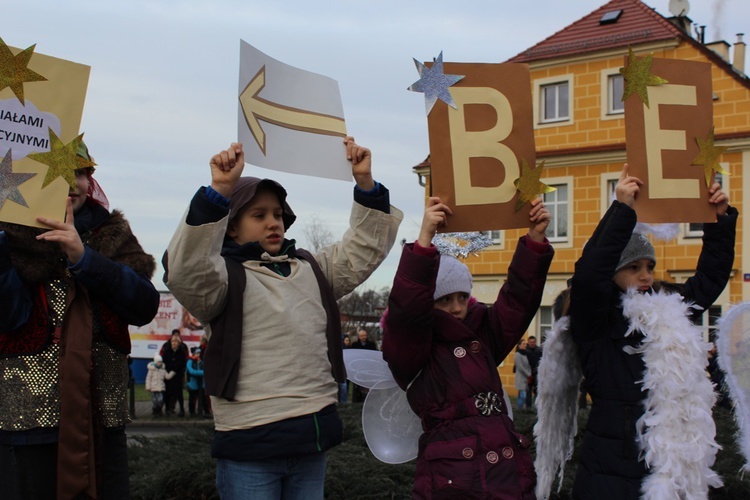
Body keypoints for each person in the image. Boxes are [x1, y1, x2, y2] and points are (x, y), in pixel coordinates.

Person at [163, 136, 402, 499]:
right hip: (250, 446)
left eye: (277, 214)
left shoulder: (311, 269)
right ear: (230, 226)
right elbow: (188, 270)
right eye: (258, 215)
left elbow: (361, 251)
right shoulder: (223, 279)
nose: (273, 223)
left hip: (311, 440)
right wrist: (219, 191)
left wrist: (365, 184)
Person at [0, 142, 159, 499]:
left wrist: (83, 258)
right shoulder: (9, 237)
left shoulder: (114, 234)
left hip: (102, 424)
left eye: (79, 171)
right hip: (27, 424)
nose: (69, 181)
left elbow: (144, 305)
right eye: (54, 170)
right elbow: (9, 318)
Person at [569, 164, 736, 499]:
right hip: (611, 473)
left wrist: (718, 219)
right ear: (613, 273)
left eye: (649, 267)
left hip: (666, 467)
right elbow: (589, 274)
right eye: (633, 268)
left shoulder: (667, 307)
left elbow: (710, 279)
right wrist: (621, 210)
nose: (645, 276)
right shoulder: (594, 319)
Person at [382, 195, 554, 499]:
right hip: (454, 478)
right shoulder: (413, 350)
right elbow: (406, 312)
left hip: (508, 474)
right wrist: (423, 243)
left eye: (463, 297)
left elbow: (517, 301)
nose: (458, 307)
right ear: (428, 303)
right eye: (445, 299)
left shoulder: (481, 335)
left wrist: (535, 239)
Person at [162, 332, 188, 416]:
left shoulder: (181, 352)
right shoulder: (167, 351)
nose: (174, 343)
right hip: (168, 375)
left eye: (175, 342)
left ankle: (182, 410)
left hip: (178, 375)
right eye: (172, 342)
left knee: (179, 393)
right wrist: (168, 372)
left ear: (178, 343)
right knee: (167, 393)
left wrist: (175, 370)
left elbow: (183, 363)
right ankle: (167, 410)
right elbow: (164, 362)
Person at [350, 329, 378, 402]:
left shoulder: (371, 344)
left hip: (369, 368)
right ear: (359, 337)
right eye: (362, 336)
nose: (363, 337)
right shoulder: (355, 345)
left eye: (364, 335)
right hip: (358, 368)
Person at [187, 348, 206, 416]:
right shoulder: (190, 361)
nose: (198, 355)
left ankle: (200, 412)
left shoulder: (200, 362)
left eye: (199, 353)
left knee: (201, 398)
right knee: (192, 399)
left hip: (200, 383)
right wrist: (202, 372)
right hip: (192, 383)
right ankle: (192, 412)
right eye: (196, 353)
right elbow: (191, 371)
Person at [514, 339, 532, 410]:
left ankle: (521, 408)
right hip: (521, 378)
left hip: (526, 378)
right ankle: (520, 408)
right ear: (519, 345)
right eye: (523, 344)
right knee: (522, 395)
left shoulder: (524, 354)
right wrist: (528, 374)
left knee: (522, 394)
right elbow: (520, 367)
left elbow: (528, 365)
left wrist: (529, 373)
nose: (525, 345)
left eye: (526, 344)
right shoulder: (517, 354)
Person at [525, 335, 542, 406]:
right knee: (528, 391)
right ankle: (528, 407)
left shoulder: (539, 350)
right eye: (530, 342)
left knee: (537, 391)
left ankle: (536, 406)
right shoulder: (525, 351)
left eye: (533, 342)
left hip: (537, 373)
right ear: (528, 342)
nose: (532, 343)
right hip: (528, 374)